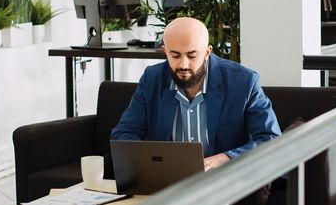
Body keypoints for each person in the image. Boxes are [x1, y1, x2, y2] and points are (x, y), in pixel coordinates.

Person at [111, 17, 281, 203]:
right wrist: (148, 165)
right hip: (169, 187)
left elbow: (271, 140)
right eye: (175, 55)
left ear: (207, 52)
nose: (183, 65)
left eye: (192, 55)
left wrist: (224, 158)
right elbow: (125, 133)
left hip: (226, 184)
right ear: (165, 51)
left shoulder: (243, 82)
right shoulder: (152, 79)